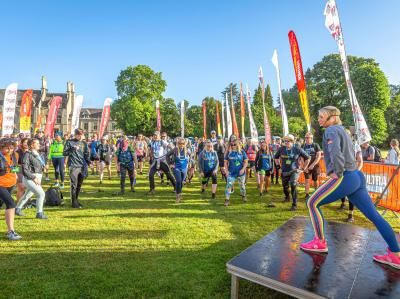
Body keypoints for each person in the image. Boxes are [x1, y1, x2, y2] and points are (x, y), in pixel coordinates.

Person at [300, 106, 400, 270]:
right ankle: (395, 254)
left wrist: (336, 173)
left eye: (322, 116)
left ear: (332, 117)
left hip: (345, 176)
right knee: (374, 216)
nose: (318, 119)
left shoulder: (331, 131)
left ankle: (319, 242)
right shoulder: (343, 130)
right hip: (356, 176)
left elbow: (336, 153)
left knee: (311, 202)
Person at [274, 134, 310, 211]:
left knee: (293, 184)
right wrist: (278, 167)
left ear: (292, 141)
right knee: (285, 186)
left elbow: (307, 158)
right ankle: (287, 197)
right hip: (284, 171)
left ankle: (294, 204)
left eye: (288, 141)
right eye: (285, 141)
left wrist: (303, 168)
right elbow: (275, 158)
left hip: (294, 170)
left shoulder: (297, 149)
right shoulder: (281, 149)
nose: (286, 142)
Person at [15, 138, 48, 219]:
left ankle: (17, 209)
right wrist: (34, 178)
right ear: (32, 145)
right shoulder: (27, 154)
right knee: (41, 194)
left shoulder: (37, 153)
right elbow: (25, 169)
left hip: (36, 177)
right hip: (30, 178)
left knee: (27, 195)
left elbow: (37, 165)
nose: (39, 144)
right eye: (37, 143)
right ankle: (39, 213)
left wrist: (43, 167)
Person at [339, 129, 364, 223]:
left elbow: (360, 161)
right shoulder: (340, 145)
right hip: (343, 171)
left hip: (352, 172)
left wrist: (356, 171)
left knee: (351, 193)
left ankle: (351, 215)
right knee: (342, 190)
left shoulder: (356, 146)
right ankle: (342, 203)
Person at [0, 139, 22, 240]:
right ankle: (11, 231)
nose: (10, 150)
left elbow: (15, 168)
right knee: (11, 204)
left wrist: (16, 176)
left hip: (11, 183)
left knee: (5, 205)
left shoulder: (14, 155)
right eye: (7, 148)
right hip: (1, 184)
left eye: (12, 148)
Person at [63, 128, 90, 208]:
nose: (81, 137)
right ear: (76, 135)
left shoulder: (84, 143)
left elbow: (86, 154)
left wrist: (89, 162)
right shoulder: (69, 142)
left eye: (82, 135)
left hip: (82, 166)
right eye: (79, 135)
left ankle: (76, 200)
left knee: (79, 185)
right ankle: (73, 203)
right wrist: (72, 149)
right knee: (73, 185)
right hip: (73, 166)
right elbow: (64, 153)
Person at [224, 139, 248, 206]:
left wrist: (243, 169)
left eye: (234, 144)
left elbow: (246, 162)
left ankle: (243, 196)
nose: (233, 146)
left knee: (242, 186)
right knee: (229, 185)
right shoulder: (229, 153)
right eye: (232, 145)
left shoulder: (242, 152)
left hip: (240, 173)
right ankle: (227, 200)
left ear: (238, 145)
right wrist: (226, 171)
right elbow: (225, 162)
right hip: (231, 173)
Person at [168, 138, 191, 203]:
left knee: (181, 182)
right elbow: (167, 155)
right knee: (178, 181)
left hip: (184, 169)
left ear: (185, 144)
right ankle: (178, 197)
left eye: (183, 144)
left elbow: (191, 155)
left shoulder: (187, 150)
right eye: (180, 144)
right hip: (176, 168)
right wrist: (170, 164)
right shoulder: (175, 150)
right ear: (178, 144)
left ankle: (179, 193)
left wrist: (189, 163)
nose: (181, 145)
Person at [302, 132, 322, 199]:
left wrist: (313, 165)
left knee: (315, 180)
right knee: (307, 180)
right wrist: (304, 166)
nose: (306, 139)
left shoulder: (315, 145)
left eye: (308, 138)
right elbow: (301, 157)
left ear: (311, 138)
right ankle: (307, 194)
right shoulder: (303, 146)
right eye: (305, 138)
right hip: (306, 166)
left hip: (315, 166)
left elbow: (318, 156)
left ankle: (316, 193)